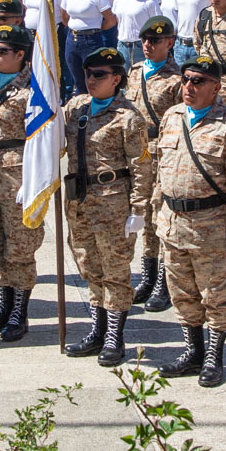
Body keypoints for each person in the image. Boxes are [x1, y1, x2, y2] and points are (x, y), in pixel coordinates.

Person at [152, 60, 226, 388]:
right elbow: (162, 167)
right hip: (173, 224)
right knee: (182, 294)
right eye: (186, 79)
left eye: (198, 81)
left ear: (216, 87)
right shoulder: (172, 117)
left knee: (215, 295)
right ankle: (193, 352)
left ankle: (214, 357)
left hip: (210, 227)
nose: (189, 87)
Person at [60, 47, 151, 364]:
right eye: (88, 74)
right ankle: (98, 331)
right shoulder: (75, 107)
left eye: (99, 75)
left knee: (115, 272)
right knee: (90, 268)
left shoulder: (129, 117)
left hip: (113, 204)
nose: (91, 80)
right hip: (79, 201)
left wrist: (138, 210)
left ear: (116, 78)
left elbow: (142, 166)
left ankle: (115, 337)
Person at [0, 26, 43, 343]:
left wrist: (31, 180)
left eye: (2, 51)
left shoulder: (34, 89)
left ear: (20, 54)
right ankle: (4, 306)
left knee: (21, 247)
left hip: (17, 175)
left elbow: (41, 141)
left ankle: (20, 310)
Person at [128, 17, 184, 312]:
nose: (148, 45)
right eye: (145, 40)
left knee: (161, 216)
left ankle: (163, 282)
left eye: (156, 41)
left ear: (170, 43)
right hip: (137, 153)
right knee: (143, 213)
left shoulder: (177, 80)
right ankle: (147, 278)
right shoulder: (135, 71)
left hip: (162, 152)